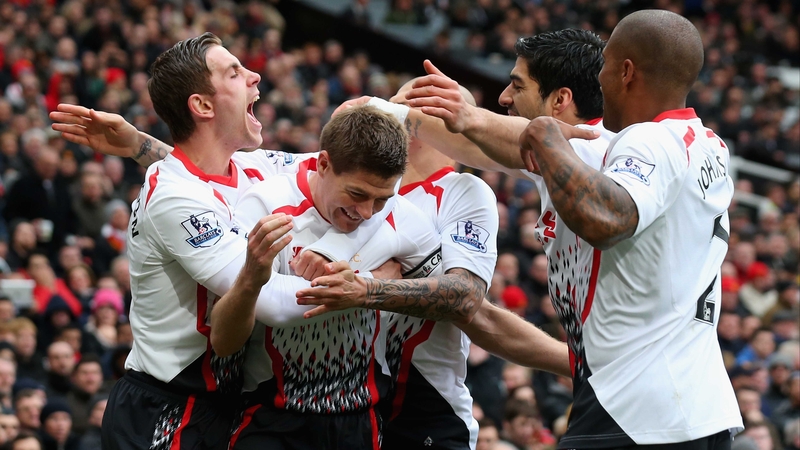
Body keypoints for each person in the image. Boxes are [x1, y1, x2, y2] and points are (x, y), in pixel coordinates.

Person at [52, 33, 392, 450]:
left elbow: (354, 153)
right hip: (167, 407)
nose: (255, 75)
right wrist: (366, 285)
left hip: (226, 402)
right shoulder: (173, 196)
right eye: (234, 72)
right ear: (203, 105)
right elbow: (268, 301)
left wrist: (437, 108)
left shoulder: (251, 167)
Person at [511, 10, 741, 448]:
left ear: (626, 71)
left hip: (634, 411)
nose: (597, 79)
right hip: (696, 409)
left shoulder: (651, 140)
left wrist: (544, 134)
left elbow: (607, 219)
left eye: (603, 66)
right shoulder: (706, 143)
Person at [228, 105, 444, 449]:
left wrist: (369, 285)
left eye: (382, 199)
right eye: (357, 194)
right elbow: (268, 305)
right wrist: (374, 277)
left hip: (360, 415)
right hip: (272, 411)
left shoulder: (398, 214)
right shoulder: (266, 206)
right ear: (323, 164)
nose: (367, 212)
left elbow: (447, 296)